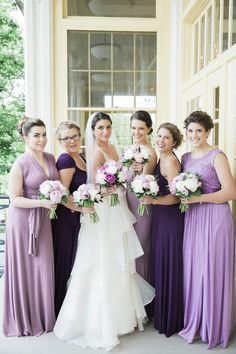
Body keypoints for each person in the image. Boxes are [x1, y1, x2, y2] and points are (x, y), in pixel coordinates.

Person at [54, 112, 155, 351]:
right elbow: (92, 185)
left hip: (117, 207)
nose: (105, 132)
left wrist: (123, 181)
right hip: (103, 210)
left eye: (108, 127)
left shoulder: (113, 148)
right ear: (93, 130)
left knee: (118, 260)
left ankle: (121, 318)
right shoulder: (95, 152)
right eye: (100, 128)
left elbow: (121, 180)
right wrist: (108, 189)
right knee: (101, 258)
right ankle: (99, 321)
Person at [178, 111, 236, 349]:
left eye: (199, 131)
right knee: (194, 268)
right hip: (193, 218)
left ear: (208, 132)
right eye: (190, 131)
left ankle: (215, 326)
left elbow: (231, 192)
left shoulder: (217, 156)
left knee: (211, 269)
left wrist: (199, 197)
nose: (194, 135)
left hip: (215, 217)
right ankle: (198, 322)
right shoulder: (185, 157)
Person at [3, 117, 58, 336]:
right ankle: (25, 320)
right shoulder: (20, 163)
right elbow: (14, 199)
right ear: (25, 137)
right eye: (36, 135)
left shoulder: (51, 158)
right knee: (25, 270)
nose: (42, 139)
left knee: (44, 268)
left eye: (44, 134)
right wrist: (42, 202)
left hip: (44, 220)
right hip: (23, 222)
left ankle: (44, 319)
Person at [141, 122, 184, 336]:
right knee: (162, 261)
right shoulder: (161, 158)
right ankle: (163, 313)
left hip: (171, 219)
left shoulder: (171, 162)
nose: (160, 140)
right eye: (158, 136)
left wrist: (153, 201)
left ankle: (171, 317)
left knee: (170, 262)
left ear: (174, 141)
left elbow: (176, 197)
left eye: (166, 137)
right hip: (162, 217)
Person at [52, 121, 93, 317]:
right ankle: (60, 311)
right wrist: (80, 209)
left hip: (78, 219)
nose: (72, 141)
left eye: (75, 136)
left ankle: (74, 309)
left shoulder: (82, 157)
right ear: (60, 141)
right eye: (66, 138)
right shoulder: (66, 160)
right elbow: (62, 194)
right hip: (66, 220)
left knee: (76, 263)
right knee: (66, 263)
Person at [126, 110, 157, 281]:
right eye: (133, 128)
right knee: (130, 250)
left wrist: (138, 173)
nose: (136, 132)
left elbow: (145, 185)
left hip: (141, 206)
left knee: (140, 249)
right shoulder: (130, 149)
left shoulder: (149, 153)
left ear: (149, 130)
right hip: (127, 205)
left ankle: (142, 300)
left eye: (141, 128)